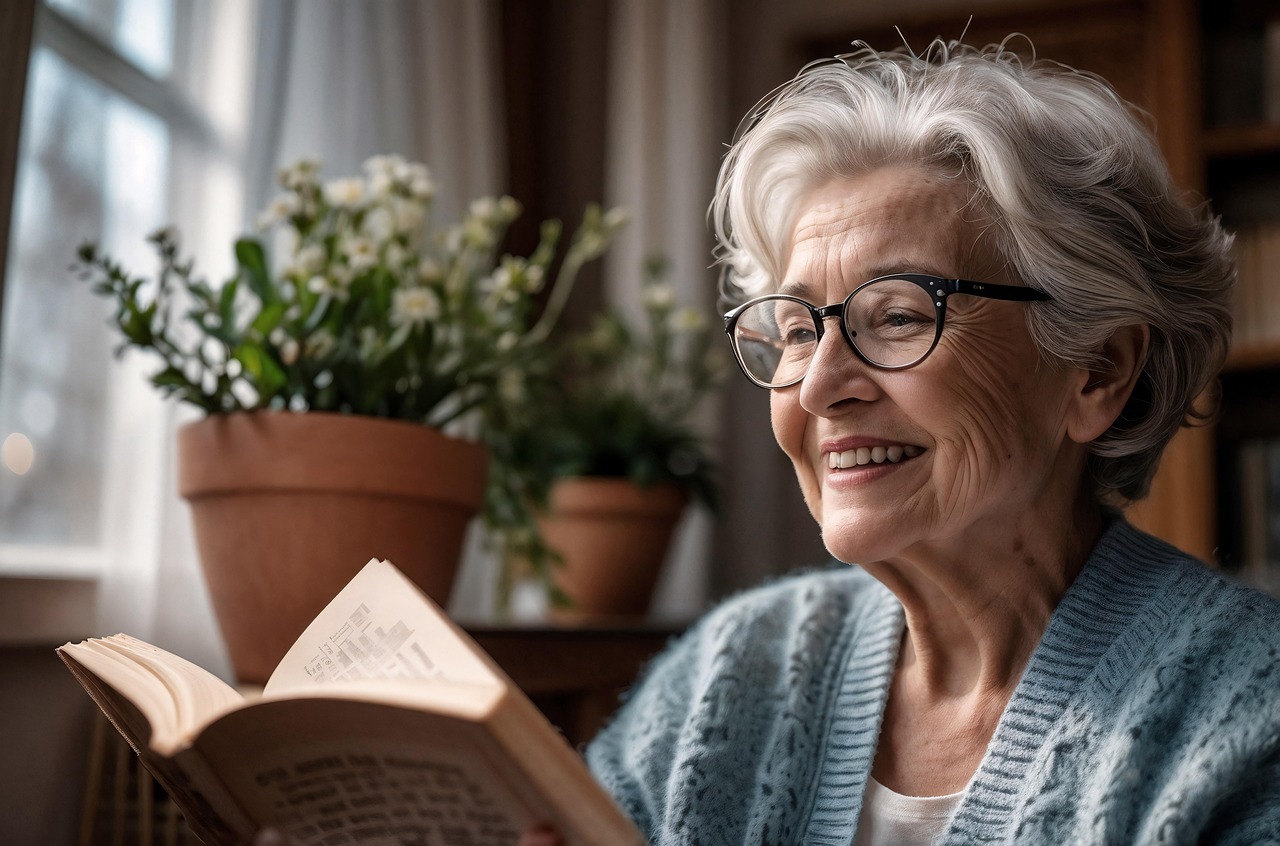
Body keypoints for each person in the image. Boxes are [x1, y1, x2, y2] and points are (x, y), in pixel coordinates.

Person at [575, 40, 1280, 845]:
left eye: (901, 315)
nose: (817, 387)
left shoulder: (1249, 713)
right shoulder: (728, 674)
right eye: (801, 330)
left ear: (1098, 372)